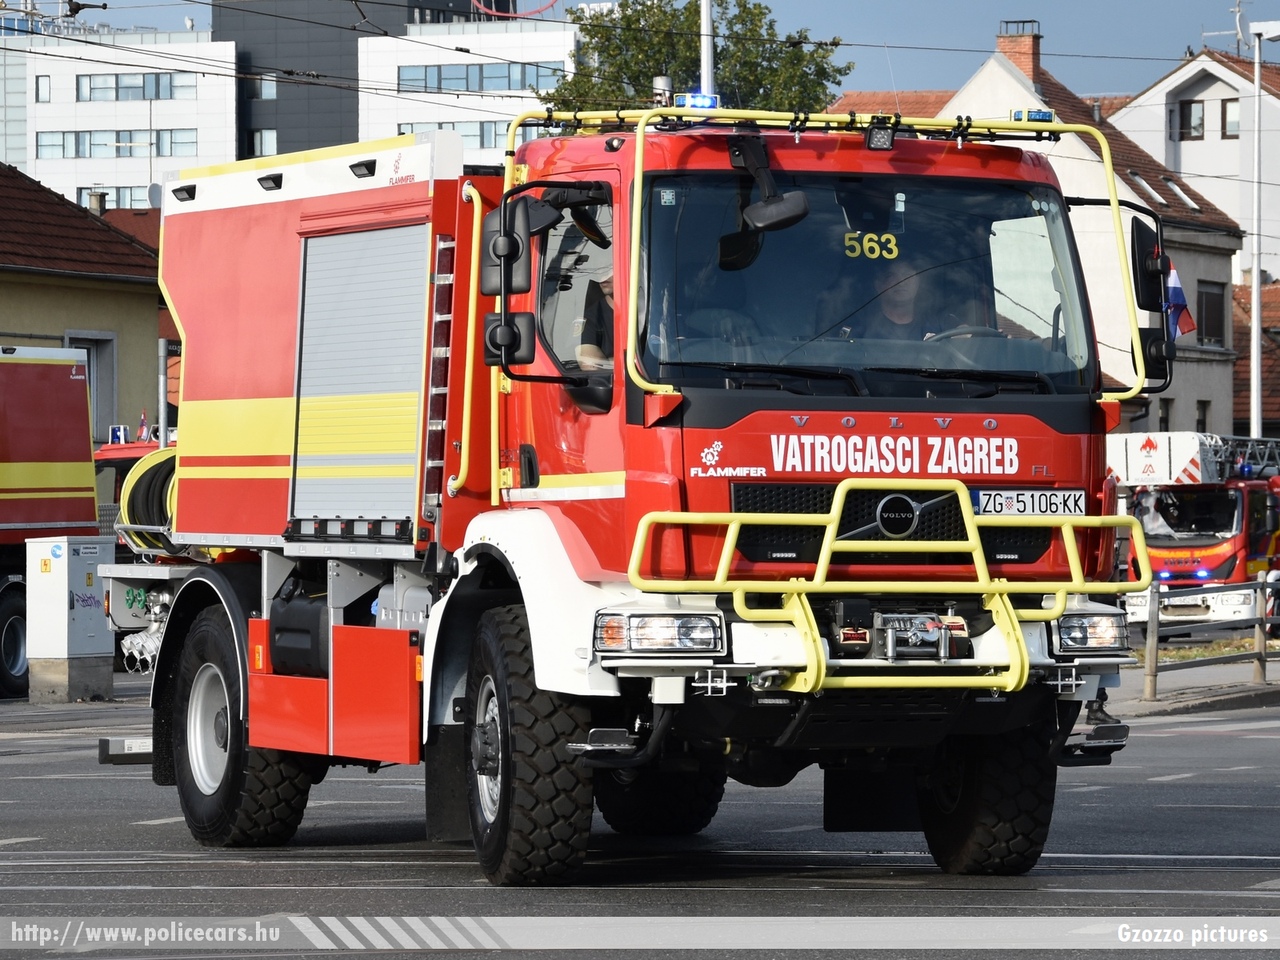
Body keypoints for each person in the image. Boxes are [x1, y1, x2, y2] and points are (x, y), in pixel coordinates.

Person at [847, 255, 944, 341]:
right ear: (878, 285)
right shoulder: (860, 329)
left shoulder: (938, 325)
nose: (901, 282)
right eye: (891, 276)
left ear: (918, 282)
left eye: (907, 275)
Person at [575, 267, 614, 371]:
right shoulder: (591, 315)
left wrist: (609, 361)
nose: (602, 272)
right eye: (598, 267)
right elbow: (590, 364)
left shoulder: (649, 310)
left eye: (610, 267)